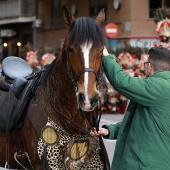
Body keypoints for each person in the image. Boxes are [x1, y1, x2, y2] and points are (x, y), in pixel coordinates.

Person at [91, 46, 170, 170]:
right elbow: (142, 124)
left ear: (149, 66)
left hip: (145, 165)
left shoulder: (159, 86)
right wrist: (110, 130)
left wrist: (107, 57)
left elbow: (122, 82)